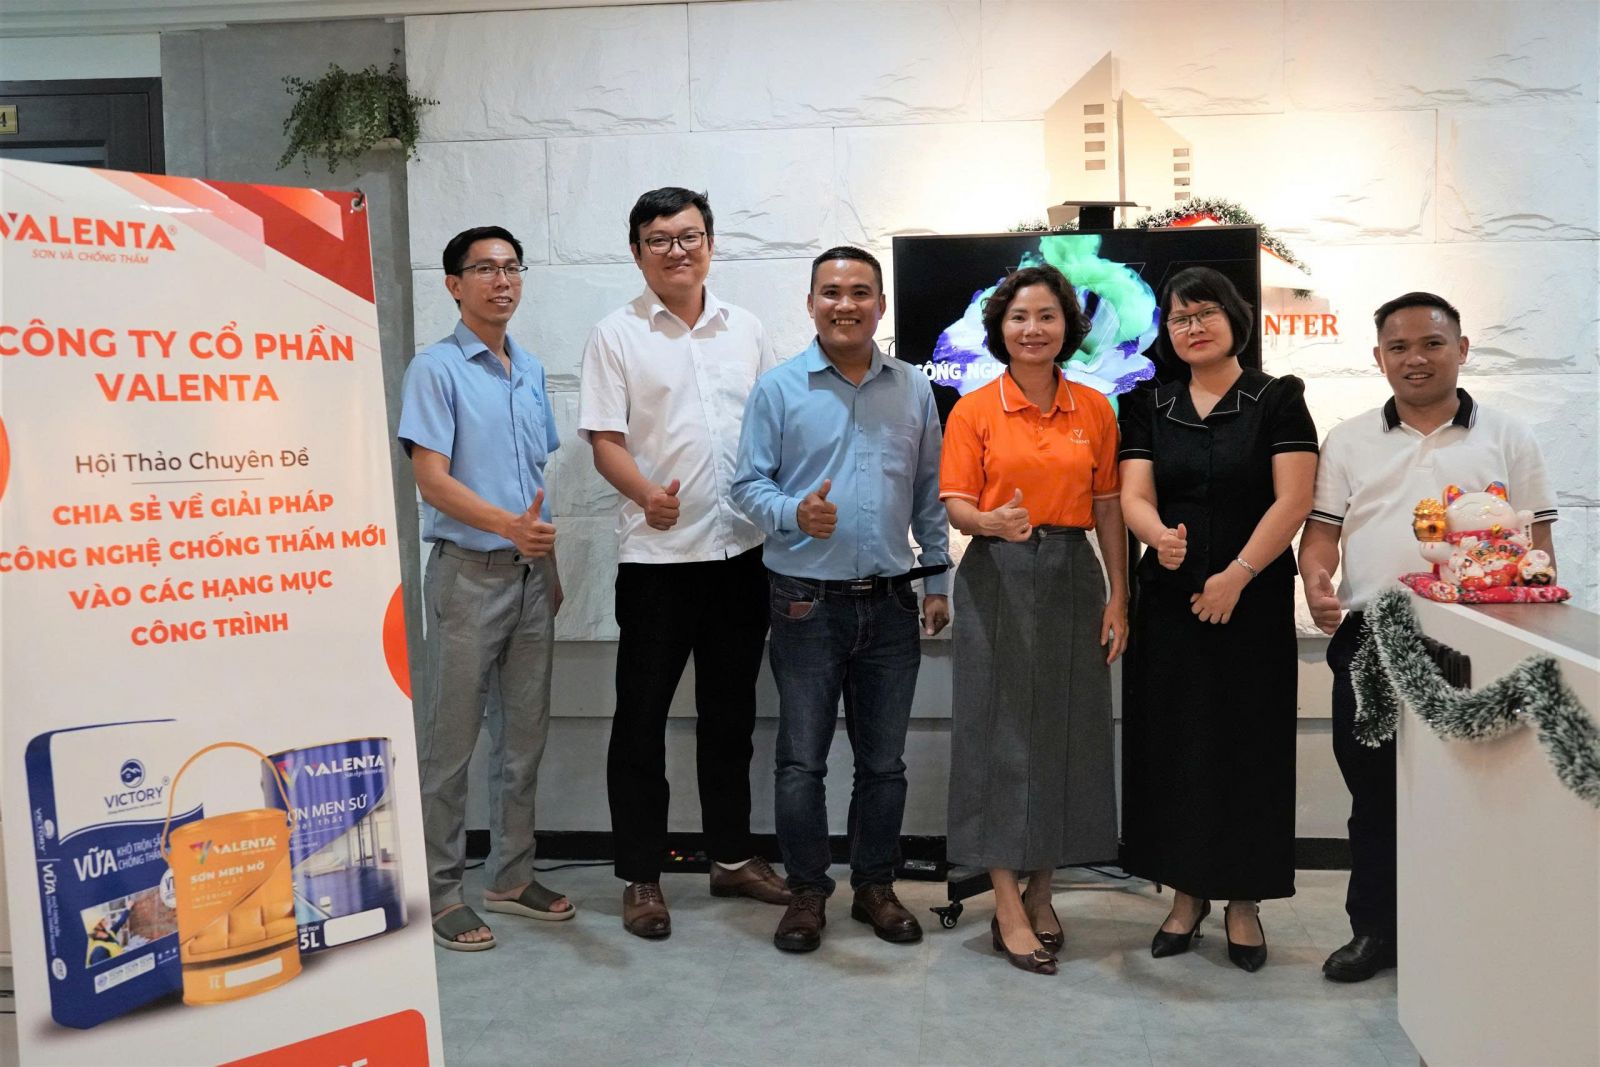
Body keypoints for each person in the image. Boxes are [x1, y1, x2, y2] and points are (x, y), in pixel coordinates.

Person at [1302, 291, 1557, 982]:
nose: (1415, 358)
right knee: (1375, 793)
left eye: (1432, 343)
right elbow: (1321, 533)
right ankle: (1375, 930)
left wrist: (1532, 617)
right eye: (1399, 347)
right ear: (1379, 357)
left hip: (1478, 639)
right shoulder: (1349, 439)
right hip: (1373, 638)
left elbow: (1538, 542)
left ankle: (1468, 932)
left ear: (1462, 349)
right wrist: (1316, 579)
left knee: (1476, 792)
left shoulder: (1508, 435)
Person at [578, 187, 790, 940]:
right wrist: (646, 495)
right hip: (658, 561)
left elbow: (775, 427)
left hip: (741, 555)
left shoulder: (747, 329)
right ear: (638, 252)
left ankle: (731, 857)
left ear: (711, 243)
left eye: (690, 235)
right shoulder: (616, 334)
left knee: (731, 720)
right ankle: (641, 875)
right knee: (640, 724)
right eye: (660, 239)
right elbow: (604, 439)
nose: (678, 250)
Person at [731, 245, 952, 954]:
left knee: (884, 764)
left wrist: (938, 579)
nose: (845, 304)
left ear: (880, 306)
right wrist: (795, 513)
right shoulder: (778, 389)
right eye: (831, 292)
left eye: (860, 292)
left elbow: (929, 491)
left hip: (891, 605)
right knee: (801, 762)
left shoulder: (913, 388)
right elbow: (746, 486)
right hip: (805, 604)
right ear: (810, 304)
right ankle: (806, 891)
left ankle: (875, 886)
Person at [1117, 266, 1318, 973]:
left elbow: (1294, 499)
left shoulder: (1277, 399)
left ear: (1236, 320)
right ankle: (1185, 894)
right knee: (1175, 747)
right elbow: (1133, 494)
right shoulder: (1149, 403)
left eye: (1205, 312)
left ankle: (1243, 901)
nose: (1193, 326)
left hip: (1252, 603)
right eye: (1179, 317)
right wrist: (1156, 535)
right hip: (1169, 603)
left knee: (1248, 747)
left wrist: (1238, 573)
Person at [939, 264, 1128, 975]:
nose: (1033, 329)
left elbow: (1107, 507)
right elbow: (957, 504)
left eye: (1047, 315)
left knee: (1065, 730)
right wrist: (990, 521)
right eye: (1019, 316)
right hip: (998, 572)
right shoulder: (974, 410)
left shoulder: (1094, 409)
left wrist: (1119, 595)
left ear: (1067, 327)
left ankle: (1043, 890)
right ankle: (1006, 901)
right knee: (997, 733)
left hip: (1074, 572)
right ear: (1000, 328)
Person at [398, 225, 571, 952]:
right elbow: (431, 481)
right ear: (454, 285)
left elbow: (534, 479)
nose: (503, 281)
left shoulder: (527, 368)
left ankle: (510, 875)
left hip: (531, 577)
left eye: (512, 267)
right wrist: (508, 528)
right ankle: (441, 893)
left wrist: (547, 564)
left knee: (522, 741)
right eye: (486, 269)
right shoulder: (435, 369)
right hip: (467, 578)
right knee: (451, 747)